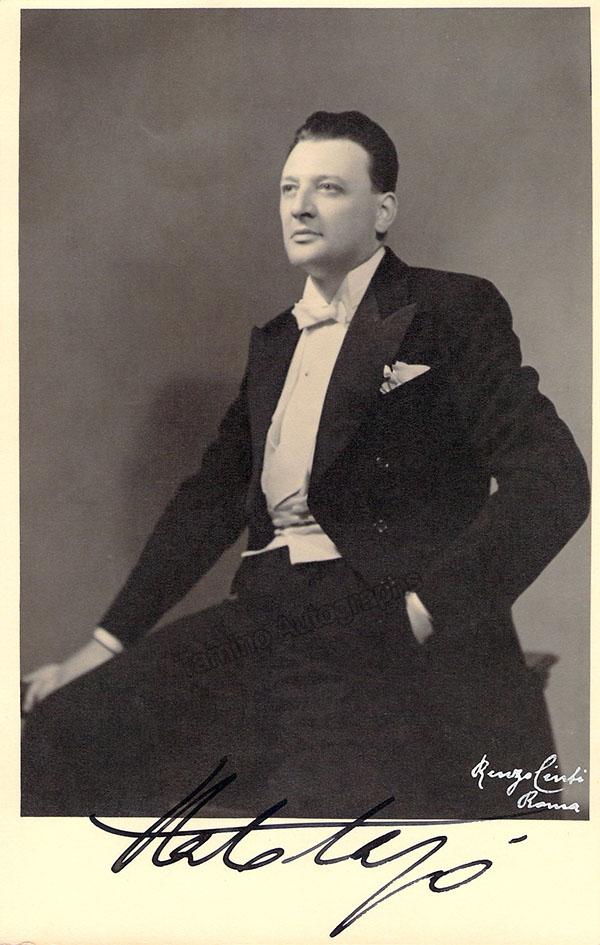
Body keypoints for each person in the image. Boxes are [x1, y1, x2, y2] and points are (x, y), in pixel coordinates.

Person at [21, 111, 590, 819]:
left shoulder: (450, 309)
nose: (300, 206)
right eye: (289, 188)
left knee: (317, 807)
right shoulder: (275, 343)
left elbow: (554, 481)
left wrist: (423, 612)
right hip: (265, 616)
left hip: (380, 620)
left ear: (383, 210)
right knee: (59, 734)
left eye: (329, 187)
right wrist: (105, 643)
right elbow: (209, 499)